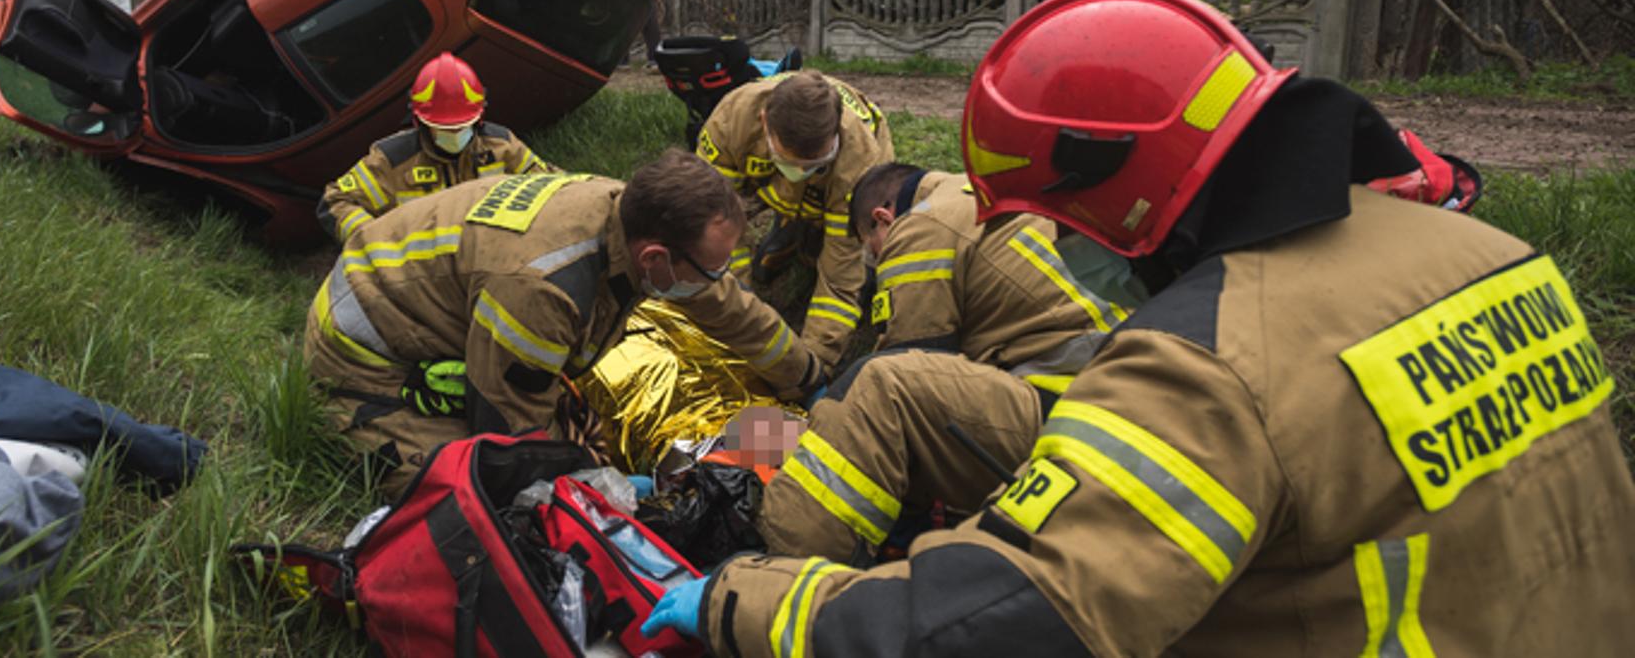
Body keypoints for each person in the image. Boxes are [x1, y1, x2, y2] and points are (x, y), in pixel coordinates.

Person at [646, 0, 1635, 655]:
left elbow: (1008, 621)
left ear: (1117, 193)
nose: (1045, 246)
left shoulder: (1209, 363)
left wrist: (748, 601)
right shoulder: (1492, 255)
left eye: (1043, 222)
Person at [306, 150, 824, 498]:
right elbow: (511, 425)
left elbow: (731, 308)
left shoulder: (631, 211)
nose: (717, 278)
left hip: (433, 298)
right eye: (710, 268)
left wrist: (807, 378)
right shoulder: (543, 291)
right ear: (655, 259)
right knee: (482, 488)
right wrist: (603, 483)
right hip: (364, 353)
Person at [751, 163, 1133, 562]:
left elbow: (913, 359)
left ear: (883, 219)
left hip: (1066, 412)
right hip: (1109, 395)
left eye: (873, 250)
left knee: (876, 386)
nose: (878, 264)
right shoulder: (973, 191)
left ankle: (794, 564)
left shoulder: (920, 226)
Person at [695, 71, 895, 369]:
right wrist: (739, 307)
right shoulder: (731, 123)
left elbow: (838, 281)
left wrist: (812, 365)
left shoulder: (860, 163)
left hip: (836, 194)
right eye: (788, 161)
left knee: (854, 274)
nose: (800, 171)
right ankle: (792, 226)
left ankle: (808, 231)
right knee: (719, 225)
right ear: (764, 122)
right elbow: (711, 224)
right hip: (769, 191)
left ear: (835, 137)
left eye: (813, 165)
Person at [318, 52, 552, 242]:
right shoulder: (392, 161)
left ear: (479, 119)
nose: (455, 134)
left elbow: (550, 185)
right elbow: (335, 203)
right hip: (421, 270)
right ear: (419, 122)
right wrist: (374, 240)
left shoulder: (502, 146)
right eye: (443, 128)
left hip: (491, 256)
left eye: (463, 126)